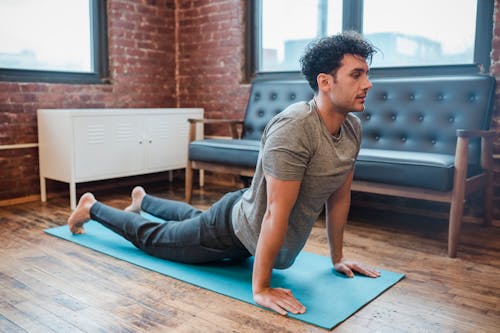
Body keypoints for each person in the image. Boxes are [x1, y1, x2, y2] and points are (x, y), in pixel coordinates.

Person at [68, 31, 380, 317]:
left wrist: (337, 258)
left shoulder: (351, 128)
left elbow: (339, 199)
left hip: (241, 213)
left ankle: (143, 199)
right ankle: (92, 207)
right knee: (156, 239)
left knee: (191, 219)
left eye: (367, 74)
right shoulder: (296, 128)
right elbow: (274, 211)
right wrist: (260, 289)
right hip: (232, 232)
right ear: (325, 82)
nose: (368, 84)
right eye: (357, 75)